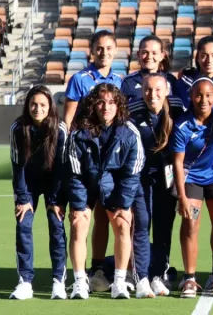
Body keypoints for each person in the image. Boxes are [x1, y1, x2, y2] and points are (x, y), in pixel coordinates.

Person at [65, 83, 143, 300]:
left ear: (118, 105)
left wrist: (124, 203)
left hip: (115, 187)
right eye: (100, 102)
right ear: (93, 105)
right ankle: (80, 281)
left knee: (122, 223)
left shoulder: (129, 132)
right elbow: (74, 172)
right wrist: (79, 205)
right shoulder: (79, 133)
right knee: (78, 224)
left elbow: (132, 172)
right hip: (87, 185)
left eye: (111, 102)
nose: (105, 107)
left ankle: (119, 281)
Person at [62, 30, 123, 292]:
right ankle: (79, 275)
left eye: (109, 48)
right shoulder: (80, 79)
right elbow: (68, 120)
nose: (104, 53)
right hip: (84, 160)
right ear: (92, 51)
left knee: (103, 216)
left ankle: (98, 267)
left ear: (116, 51)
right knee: (79, 217)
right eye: (99, 48)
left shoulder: (121, 80)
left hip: (110, 161)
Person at [171, 79, 213, 298]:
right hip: (193, 181)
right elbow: (178, 163)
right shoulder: (182, 125)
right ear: (191, 96)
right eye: (199, 95)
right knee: (191, 224)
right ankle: (189, 279)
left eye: (208, 95)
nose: (204, 100)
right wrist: (182, 196)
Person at [126, 72, 185, 298]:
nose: (153, 95)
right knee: (141, 223)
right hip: (140, 177)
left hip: (166, 178)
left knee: (163, 226)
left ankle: (158, 274)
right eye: (148, 90)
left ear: (166, 91)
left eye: (158, 90)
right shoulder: (132, 113)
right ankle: (141, 276)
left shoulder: (177, 110)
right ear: (141, 91)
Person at [9, 86, 68, 301]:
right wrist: (23, 199)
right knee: (23, 225)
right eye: (33, 104)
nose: (38, 109)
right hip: (29, 183)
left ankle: (58, 282)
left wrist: (55, 200)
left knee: (56, 226)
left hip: (54, 182)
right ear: (27, 105)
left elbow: (62, 167)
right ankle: (25, 282)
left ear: (50, 106)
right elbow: (18, 166)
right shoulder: (18, 128)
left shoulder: (60, 129)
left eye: (43, 105)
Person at [121, 35, 180, 102]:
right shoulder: (128, 82)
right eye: (145, 52)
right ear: (138, 55)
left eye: (154, 53)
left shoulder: (171, 80)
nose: (149, 57)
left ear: (161, 56)